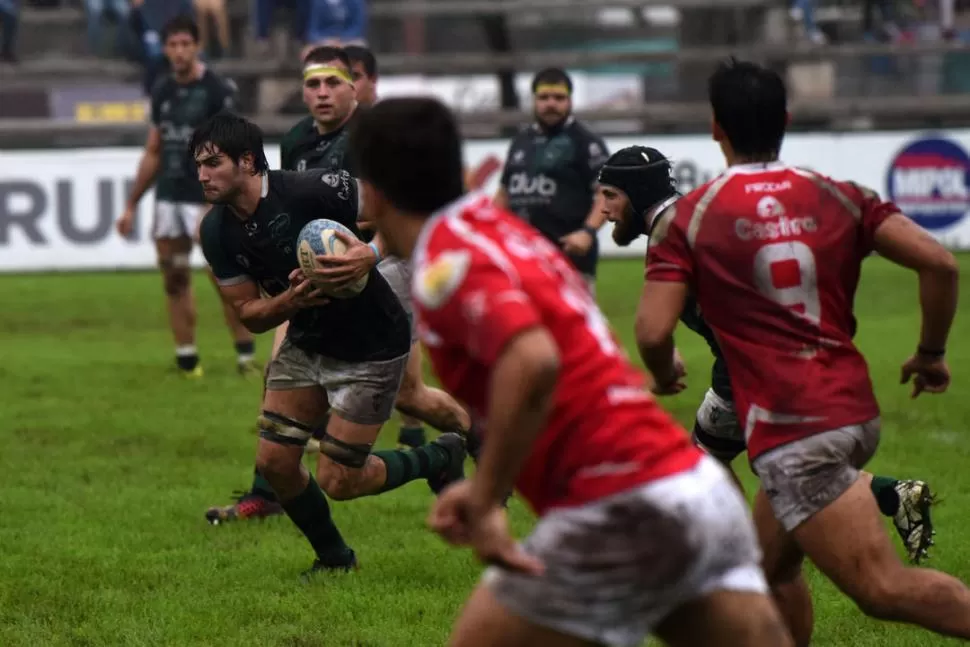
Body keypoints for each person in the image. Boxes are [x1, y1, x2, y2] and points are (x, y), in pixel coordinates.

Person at [350, 95, 793, 647]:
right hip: (691, 489)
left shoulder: (448, 262)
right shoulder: (496, 226)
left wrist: (486, 497)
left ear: (375, 187)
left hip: (618, 504)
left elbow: (533, 361)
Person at [638, 58, 970, 645]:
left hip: (796, 431)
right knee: (765, 571)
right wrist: (930, 352)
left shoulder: (694, 218)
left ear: (716, 127)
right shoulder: (837, 194)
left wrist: (664, 374)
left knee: (883, 589)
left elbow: (652, 332)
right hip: (849, 410)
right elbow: (940, 262)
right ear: (786, 120)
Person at [596, 144, 939, 564]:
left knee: (760, 469)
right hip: (778, 364)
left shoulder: (672, 236)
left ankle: (754, 545)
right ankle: (881, 496)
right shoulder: (702, 216)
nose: (603, 208)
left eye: (610, 194)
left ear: (635, 191)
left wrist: (669, 367)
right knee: (737, 461)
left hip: (753, 372)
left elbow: (657, 331)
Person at [204, 46, 478, 525]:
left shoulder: (371, 136)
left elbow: (400, 208)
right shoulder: (295, 140)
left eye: (334, 82)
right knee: (281, 373)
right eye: (312, 84)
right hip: (321, 276)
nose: (323, 92)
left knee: (409, 395)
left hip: (386, 258)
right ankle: (269, 487)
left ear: (358, 85)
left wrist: (365, 255)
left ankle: (474, 439)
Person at [116, 15, 256, 378]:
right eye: (172, 45)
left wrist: (219, 200)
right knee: (174, 277)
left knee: (223, 276)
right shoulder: (162, 90)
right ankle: (187, 358)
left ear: (196, 46)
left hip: (207, 197)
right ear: (164, 49)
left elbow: (232, 150)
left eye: (185, 44)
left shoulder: (216, 90)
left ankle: (245, 356)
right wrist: (131, 204)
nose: (178, 51)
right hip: (169, 196)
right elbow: (154, 149)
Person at [493, 68, 610, 294]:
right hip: (522, 260)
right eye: (544, 98)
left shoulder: (586, 142)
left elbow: (606, 194)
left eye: (559, 98)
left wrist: (587, 232)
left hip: (570, 262)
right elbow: (505, 193)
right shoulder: (521, 141)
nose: (551, 104)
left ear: (570, 100)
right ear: (534, 100)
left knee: (571, 329)